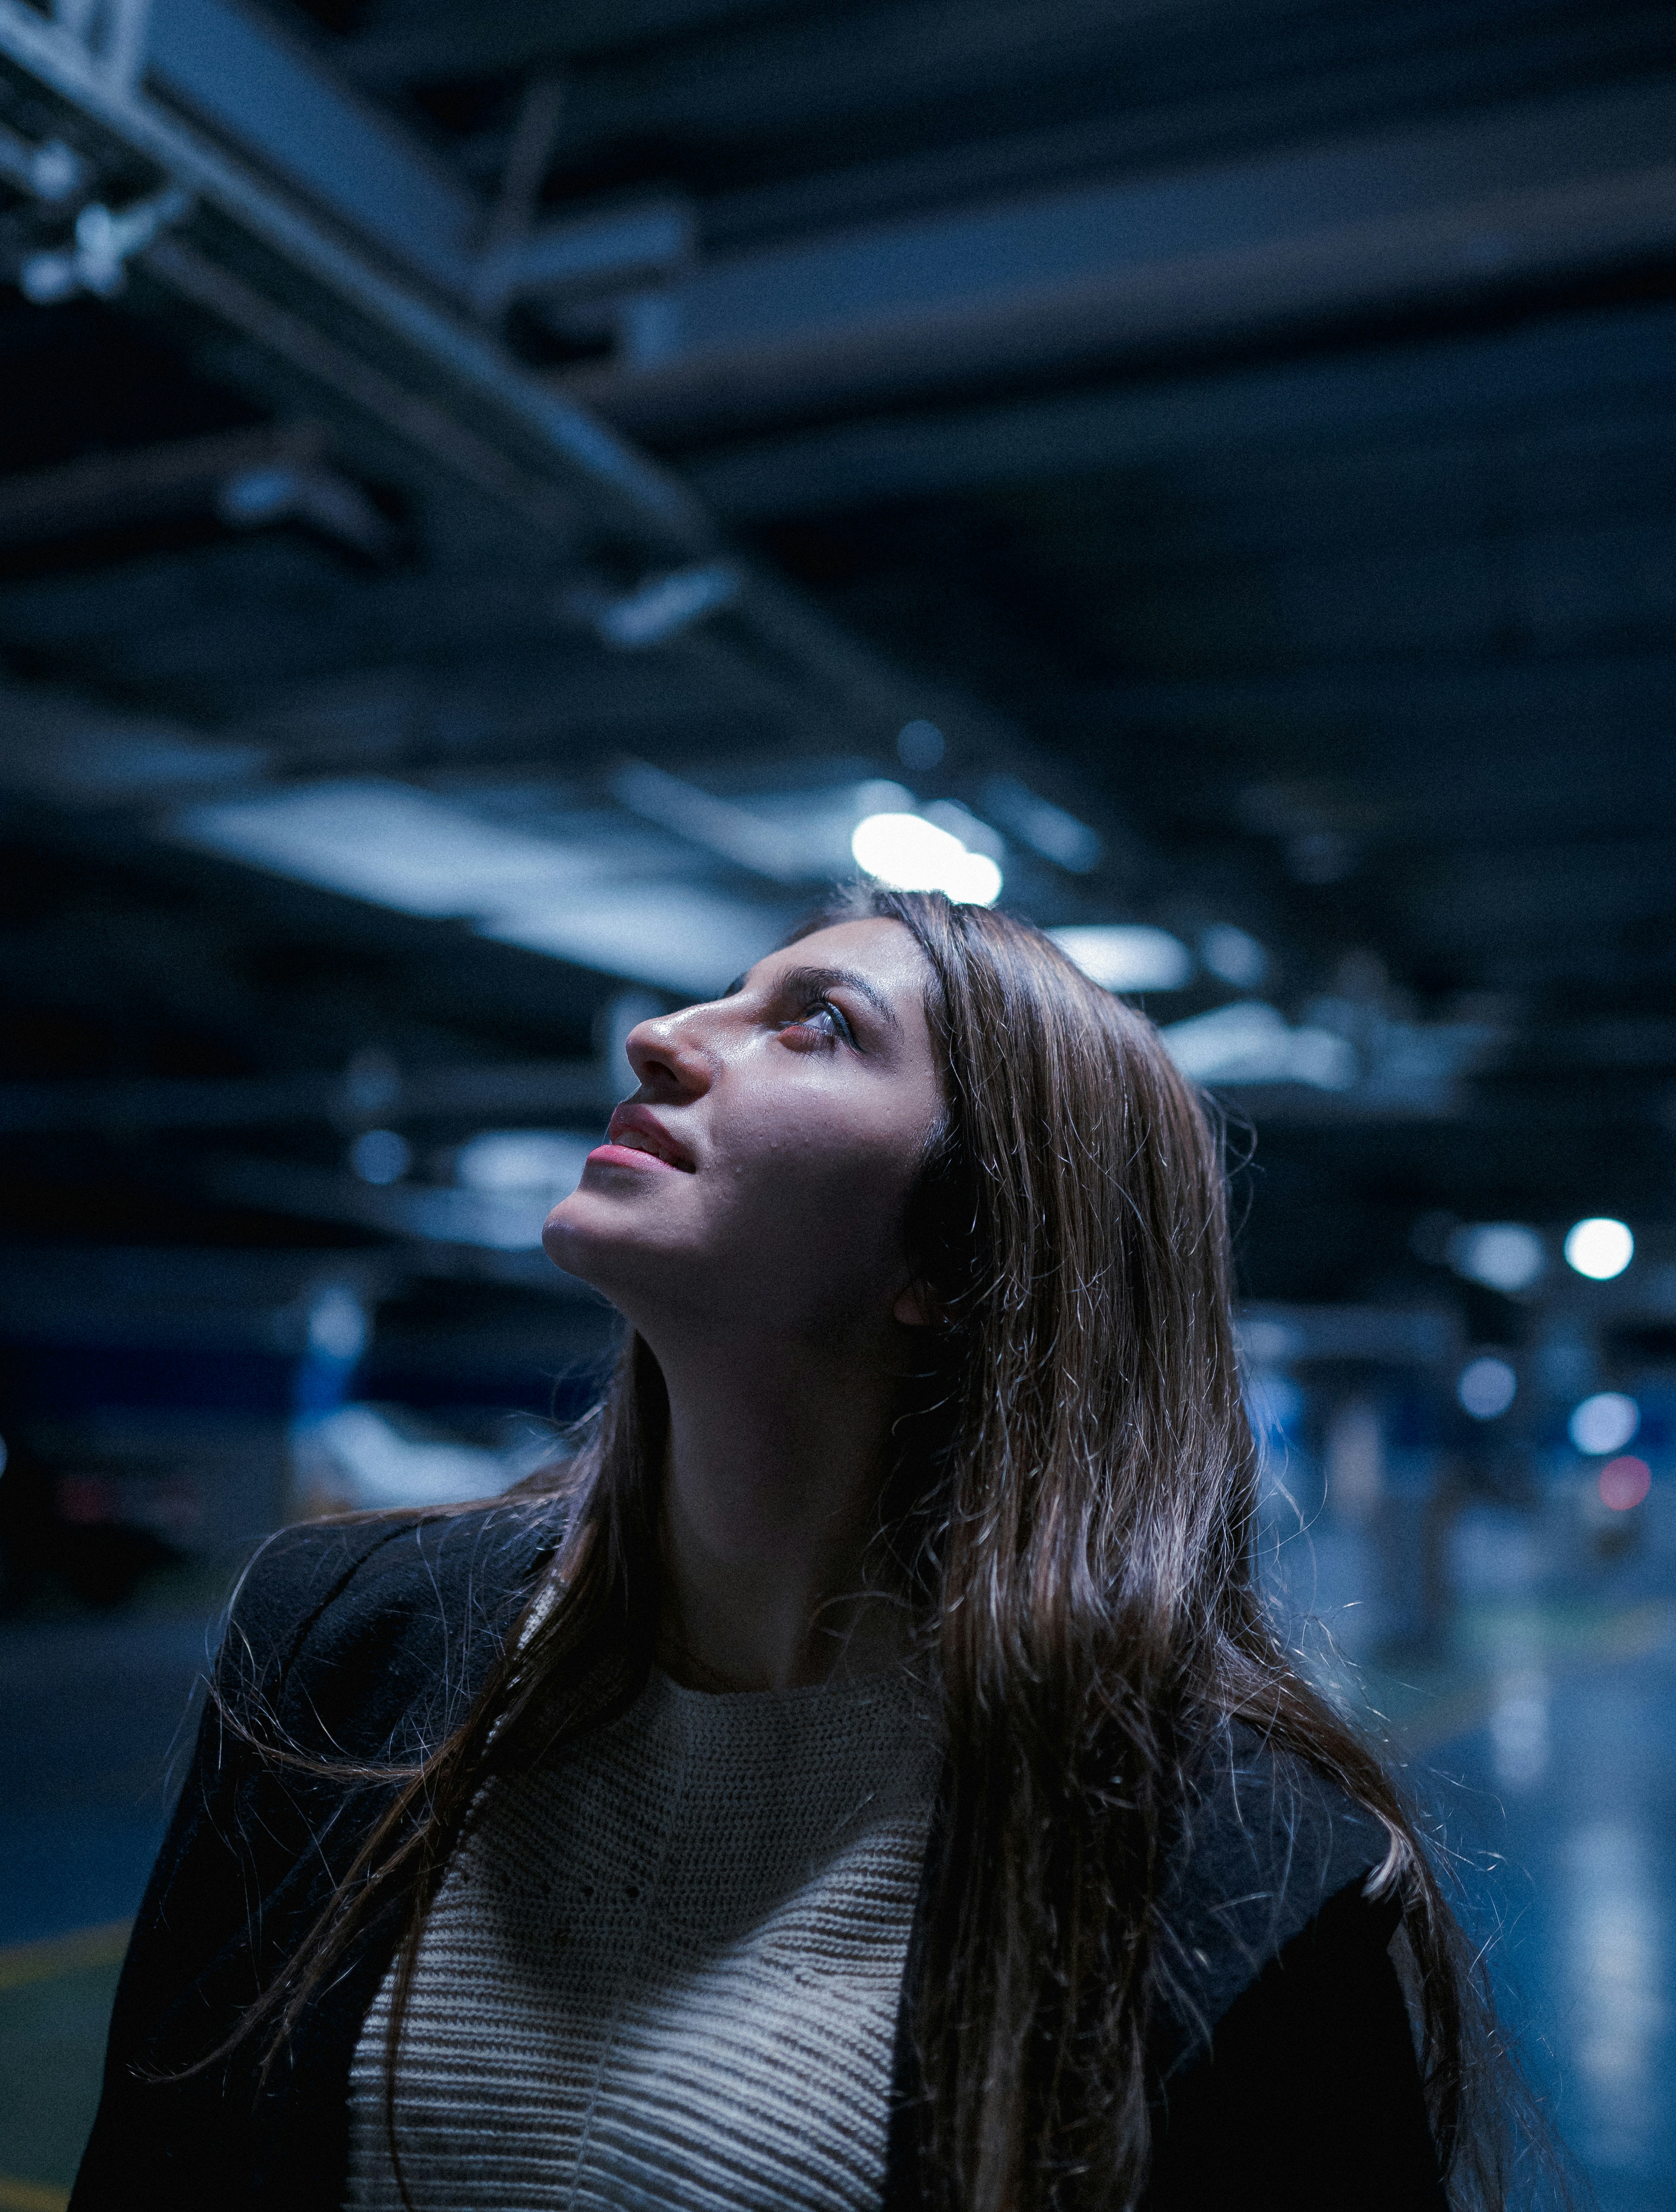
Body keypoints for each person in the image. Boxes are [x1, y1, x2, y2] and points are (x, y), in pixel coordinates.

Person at [73, 889, 1505, 2212]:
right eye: (726, 995)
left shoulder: (1238, 1876)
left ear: (959, 1257)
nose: (659, 1036)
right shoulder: (340, 1640)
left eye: (816, 1027)